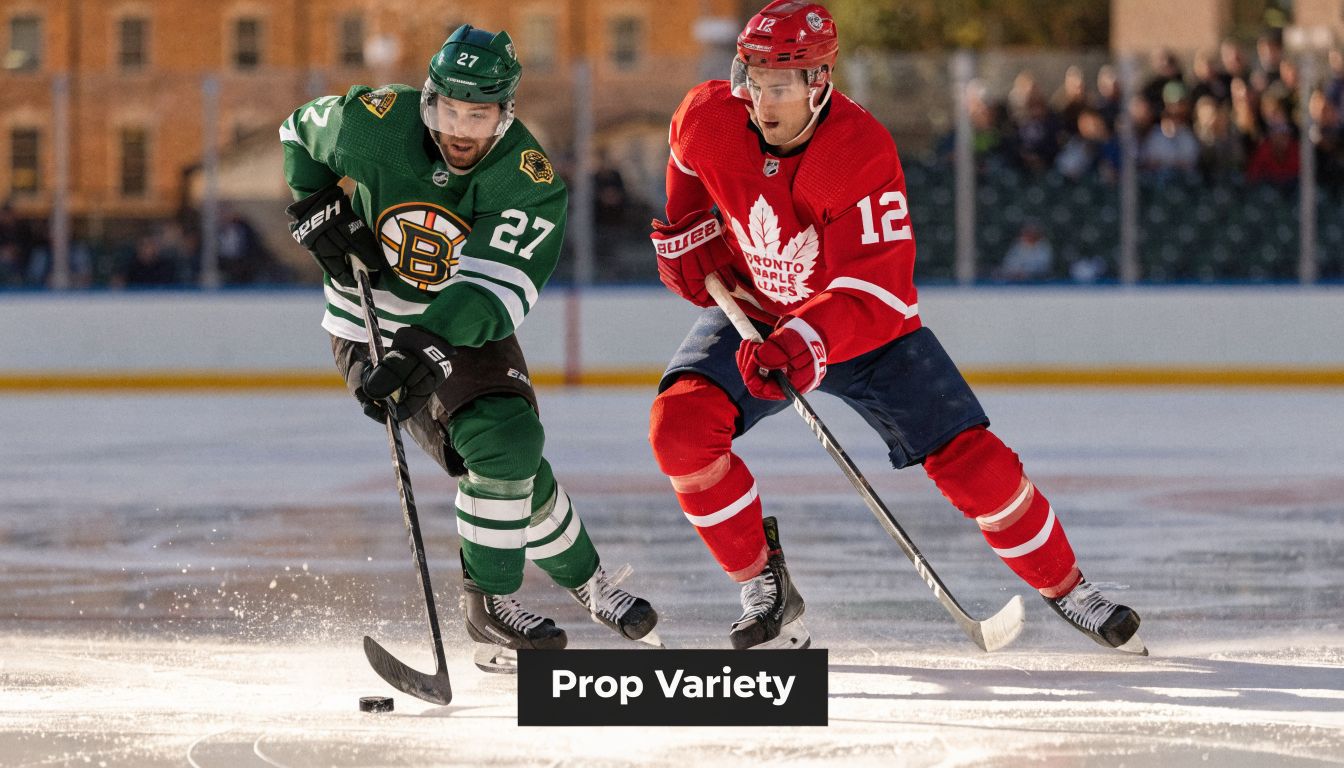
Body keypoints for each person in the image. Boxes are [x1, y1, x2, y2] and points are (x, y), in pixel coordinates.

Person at [647, 0, 1144, 654]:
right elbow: (686, 152)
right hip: (760, 310)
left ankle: (1070, 588)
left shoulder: (857, 149)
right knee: (680, 429)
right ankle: (764, 586)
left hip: (862, 330)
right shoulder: (714, 115)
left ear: (818, 83)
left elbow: (874, 288)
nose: (761, 102)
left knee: (976, 467)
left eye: (779, 86)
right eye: (754, 80)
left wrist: (804, 341)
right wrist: (684, 225)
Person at [280, 25, 658, 672]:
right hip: (370, 323)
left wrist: (428, 344)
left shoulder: (526, 176)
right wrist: (314, 206)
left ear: (504, 113)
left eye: (478, 115)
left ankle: (549, 591)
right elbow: (296, 134)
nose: (460, 130)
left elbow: (492, 288)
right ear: (429, 100)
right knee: (497, 453)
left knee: (510, 446)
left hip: (464, 321)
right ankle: (507, 601)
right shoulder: (375, 123)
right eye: (450, 110)